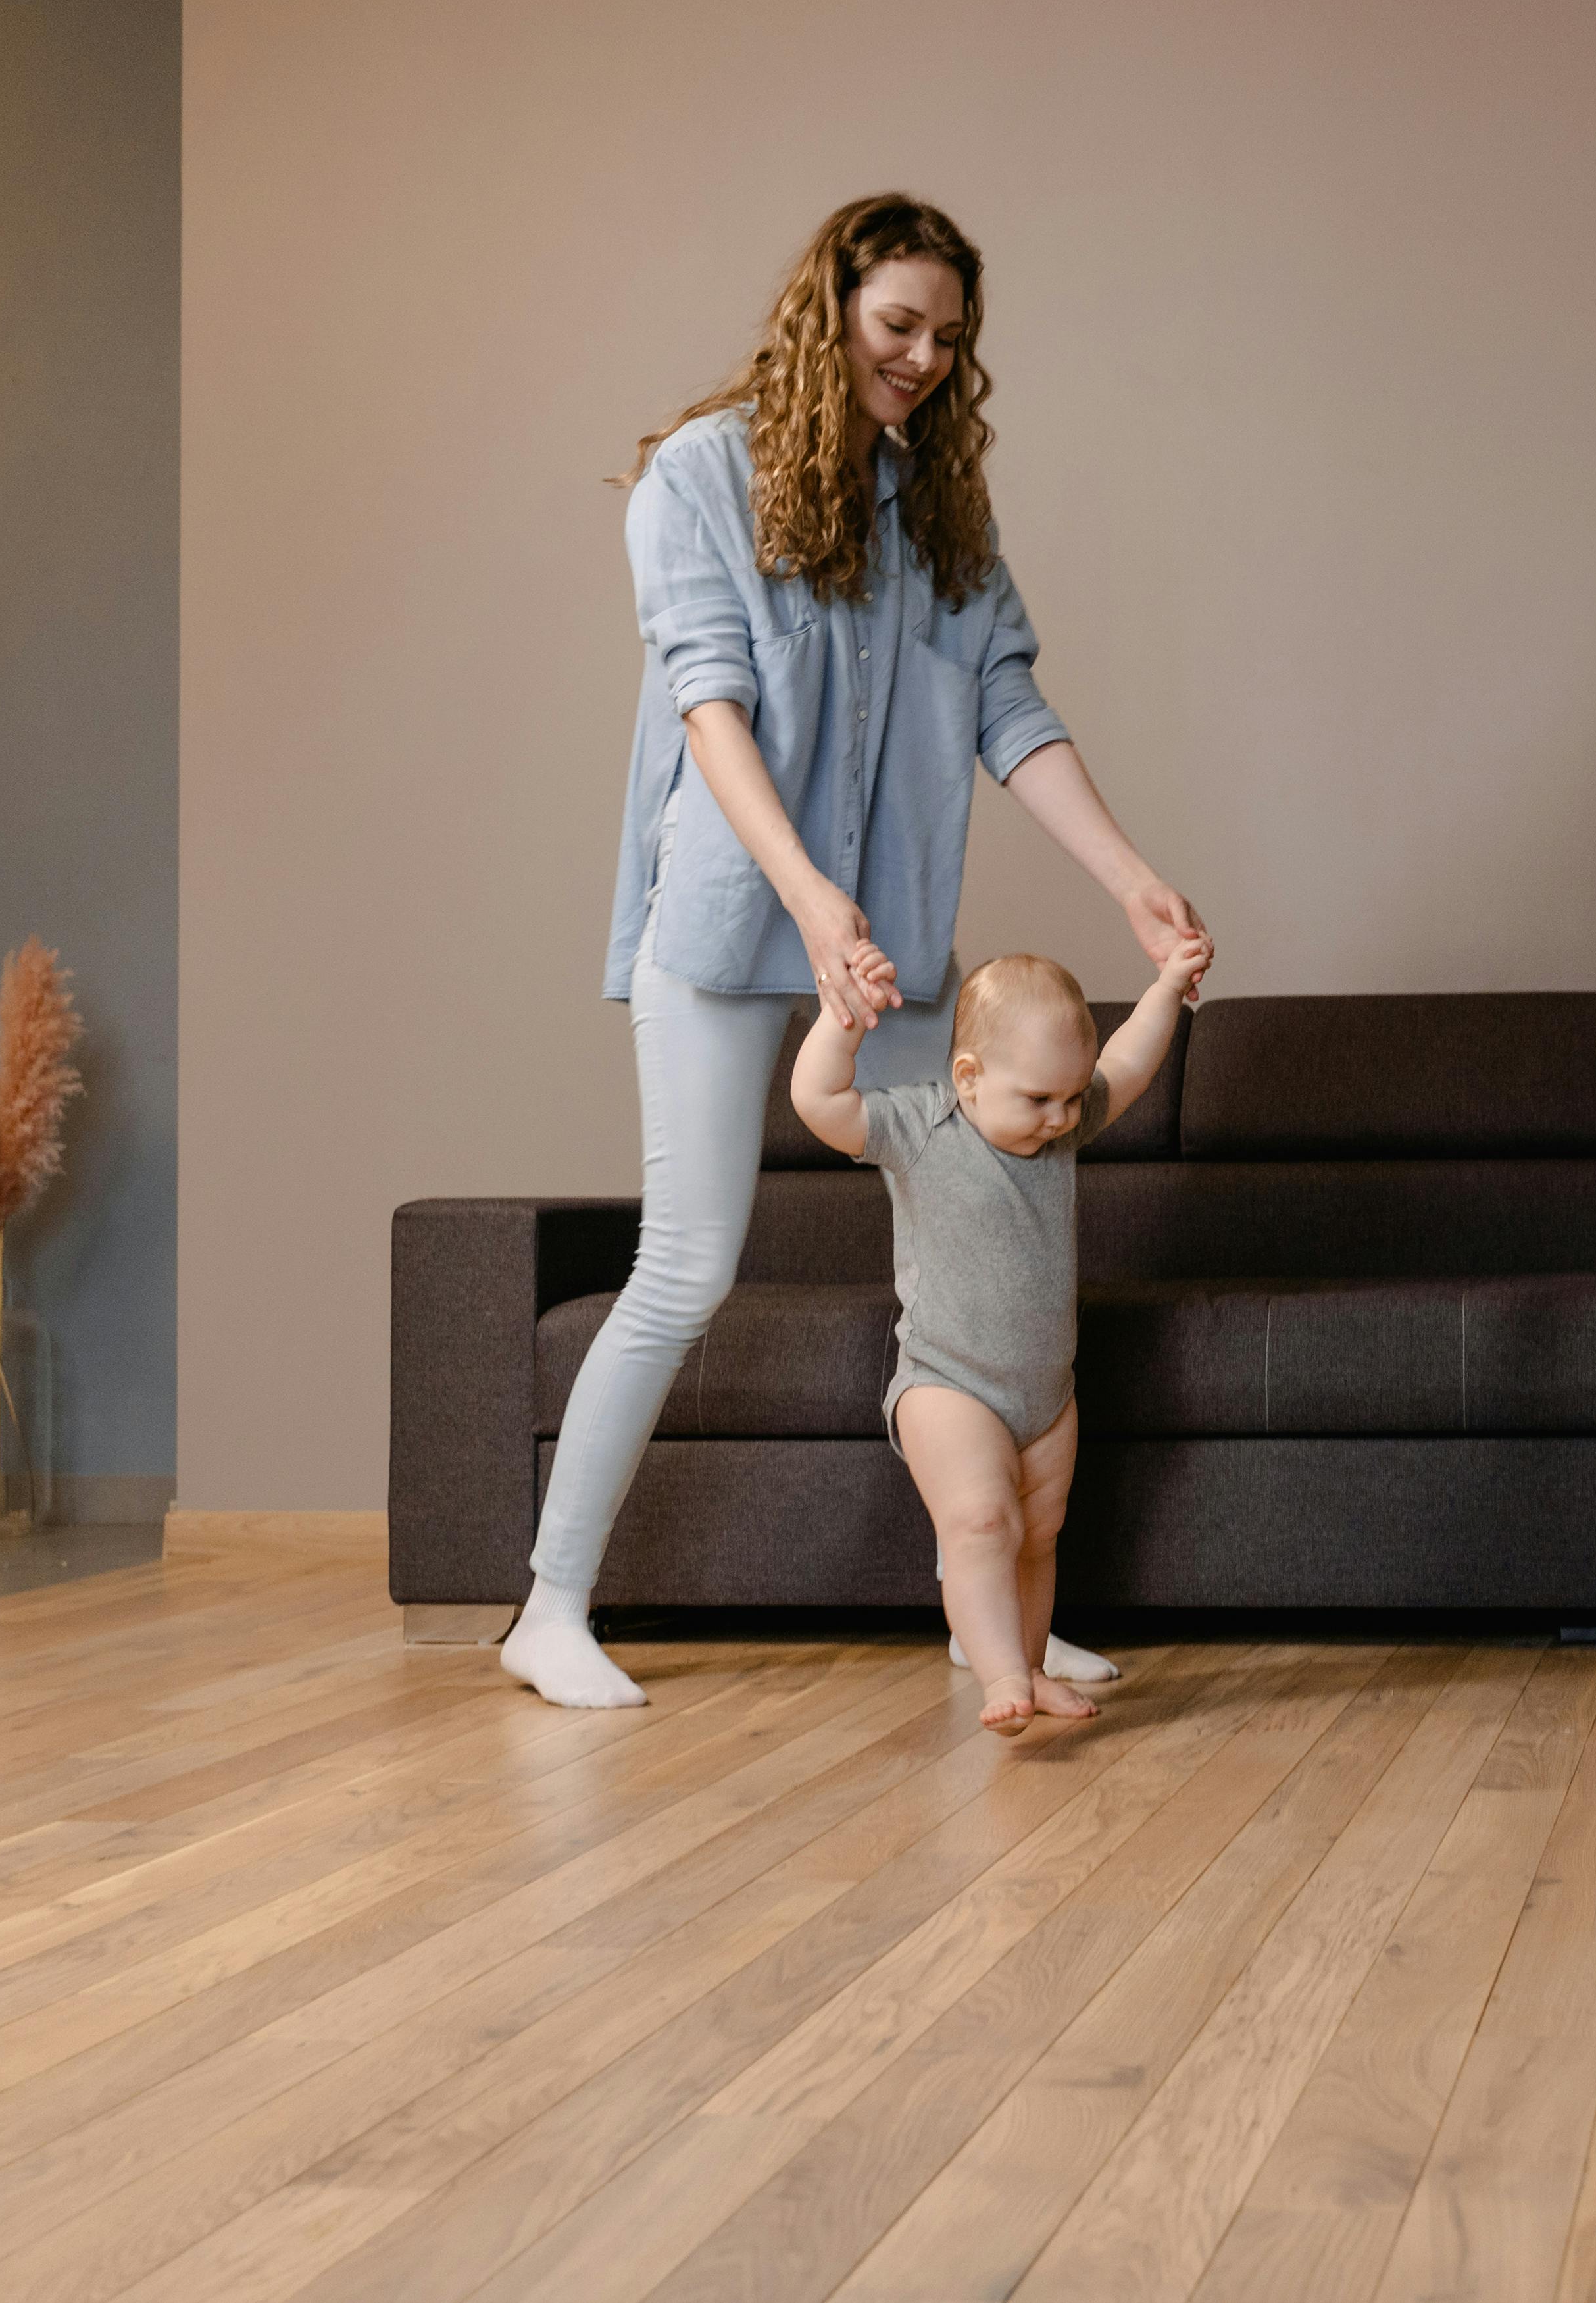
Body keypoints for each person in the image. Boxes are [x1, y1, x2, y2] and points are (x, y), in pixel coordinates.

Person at [502, 195, 1210, 1711]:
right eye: (898, 324)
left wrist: (1134, 880)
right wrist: (812, 901)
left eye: (949, 338)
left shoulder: (942, 520)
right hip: (732, 916)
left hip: (884, 951)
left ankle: (990, 1629)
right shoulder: (695, 478)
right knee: (685, 1264)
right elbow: (712, 706)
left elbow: (1009, 710)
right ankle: (549, 1607)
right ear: (825, 309)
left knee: (976, 1227)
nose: (922, 358)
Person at [793, 942, 1204, 1732]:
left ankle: (1033, 1666)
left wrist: (1166, 987)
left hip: (1046, 1392)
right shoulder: (919, 1124)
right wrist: (844, 1022)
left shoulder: (1062, 1130)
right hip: (948, 1380)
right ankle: (1001, 1676)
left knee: (1036, 1537)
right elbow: (818, 1101)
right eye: (1042, 1097)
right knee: (983, 1522)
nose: (1062, 1116)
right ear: (969, 1076)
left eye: (1074, 1098)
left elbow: (1132, 1060)